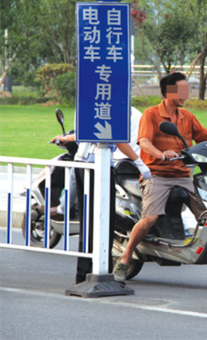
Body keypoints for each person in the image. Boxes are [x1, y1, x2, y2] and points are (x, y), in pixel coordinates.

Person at [113, 72, 207, 284]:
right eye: (181, 90)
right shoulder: (151, 114)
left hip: (184, 175)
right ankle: (126, 256)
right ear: (168, 92)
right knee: (150, 218)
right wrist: (161, 154)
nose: (185, 94)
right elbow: (144, 142)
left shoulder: (187, 116)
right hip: (157, 174)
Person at [52, 109, 151, 284]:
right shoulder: (109, 108)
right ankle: (87, 275)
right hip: (94, 166)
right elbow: (116, 140)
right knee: (96, 223)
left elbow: (100, 136)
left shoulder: (97, 106)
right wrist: (139, 161)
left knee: (98, 223)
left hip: (97, 164)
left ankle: (89, 274)